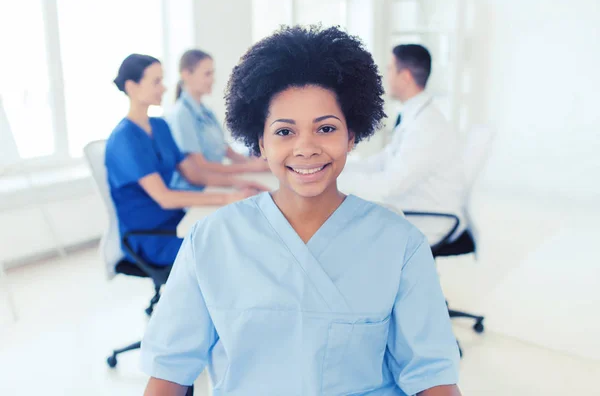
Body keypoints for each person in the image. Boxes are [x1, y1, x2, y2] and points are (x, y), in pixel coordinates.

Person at [140, 27, 461, 395]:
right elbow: (169, 371)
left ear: (351, 135)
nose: (306, 148)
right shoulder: (211, 240)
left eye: (325, 128)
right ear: (259, 141)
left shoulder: (400, 245)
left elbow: (433, 376)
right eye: (284, 132)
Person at [106, 54, 267, 267]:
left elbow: (193, 173)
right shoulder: (124, 139)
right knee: (231, 249)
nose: (164, 88)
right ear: (132, 87)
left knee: (238, 232)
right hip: (152, 237)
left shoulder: (160, 127)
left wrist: (238, 184)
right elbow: (165, 198)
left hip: (177, 220)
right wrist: (229, 197)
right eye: (156, 82)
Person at [339, 44, 466, 238]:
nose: (385, 76)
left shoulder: (426, 126)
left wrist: (334, 180)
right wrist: (336, 167)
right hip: (413, 206)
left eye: (390, 69)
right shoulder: (415, 115)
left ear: (405, 77)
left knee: (343, 226)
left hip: (429, 220)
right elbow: (382, 162)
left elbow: (389, 186)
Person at [166, 49, 269, 191]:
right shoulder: (181, 114)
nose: (212, 79)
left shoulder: (206, 111)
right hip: (196, 192)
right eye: (207, 74)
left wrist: (255, 164)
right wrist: (250, 166)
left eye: (212, 73)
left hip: (214, 184)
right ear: (186, 75)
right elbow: (199, 165)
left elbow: (225, 149)